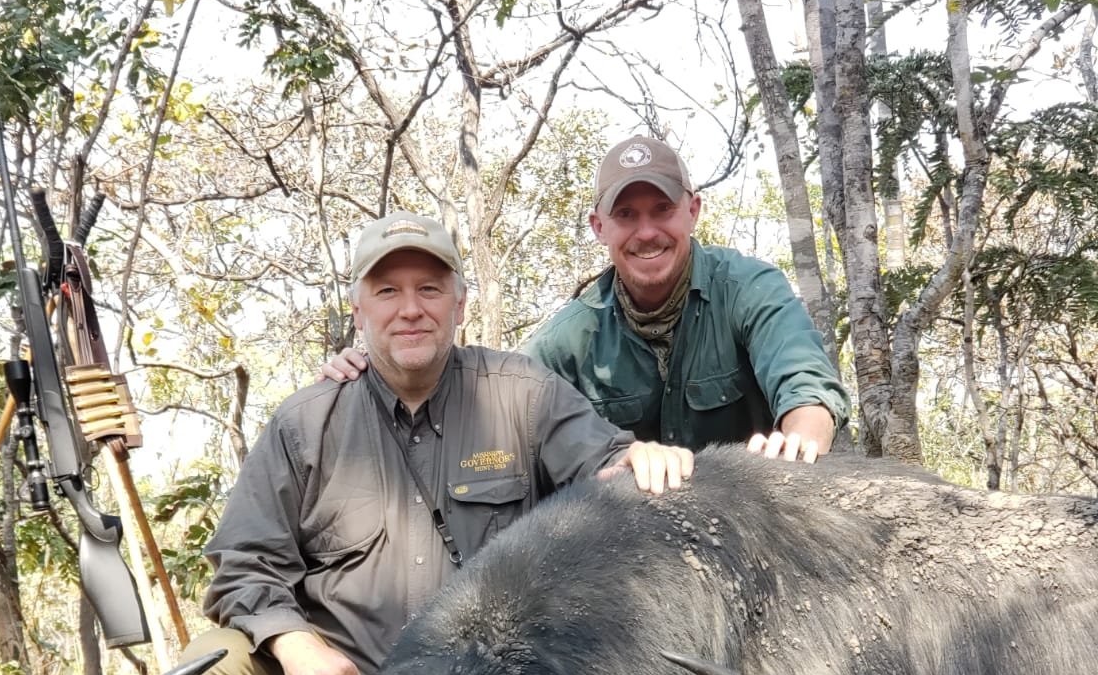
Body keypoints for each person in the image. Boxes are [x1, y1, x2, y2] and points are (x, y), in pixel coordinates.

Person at [178, 212, 694, 675]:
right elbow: (241, 564)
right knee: (213, 667)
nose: (411, 308)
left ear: (460, 301)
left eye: (430, 288)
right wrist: (291, 639)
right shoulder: (306, 423)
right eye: (387, 292)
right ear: (358, 309)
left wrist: (644, 460)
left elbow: (607, 471)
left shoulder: (524, 393)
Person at [319, 138, 851, 462]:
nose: (646, 232)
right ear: (600, 227)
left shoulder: (751, 288)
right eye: (626, 216)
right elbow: (489, 398)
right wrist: (385, 363)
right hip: (643, 556)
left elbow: (806, 385)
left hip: (763, 517)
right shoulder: (571, 337)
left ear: (693, 211)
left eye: (661, 210)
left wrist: (799, 441)